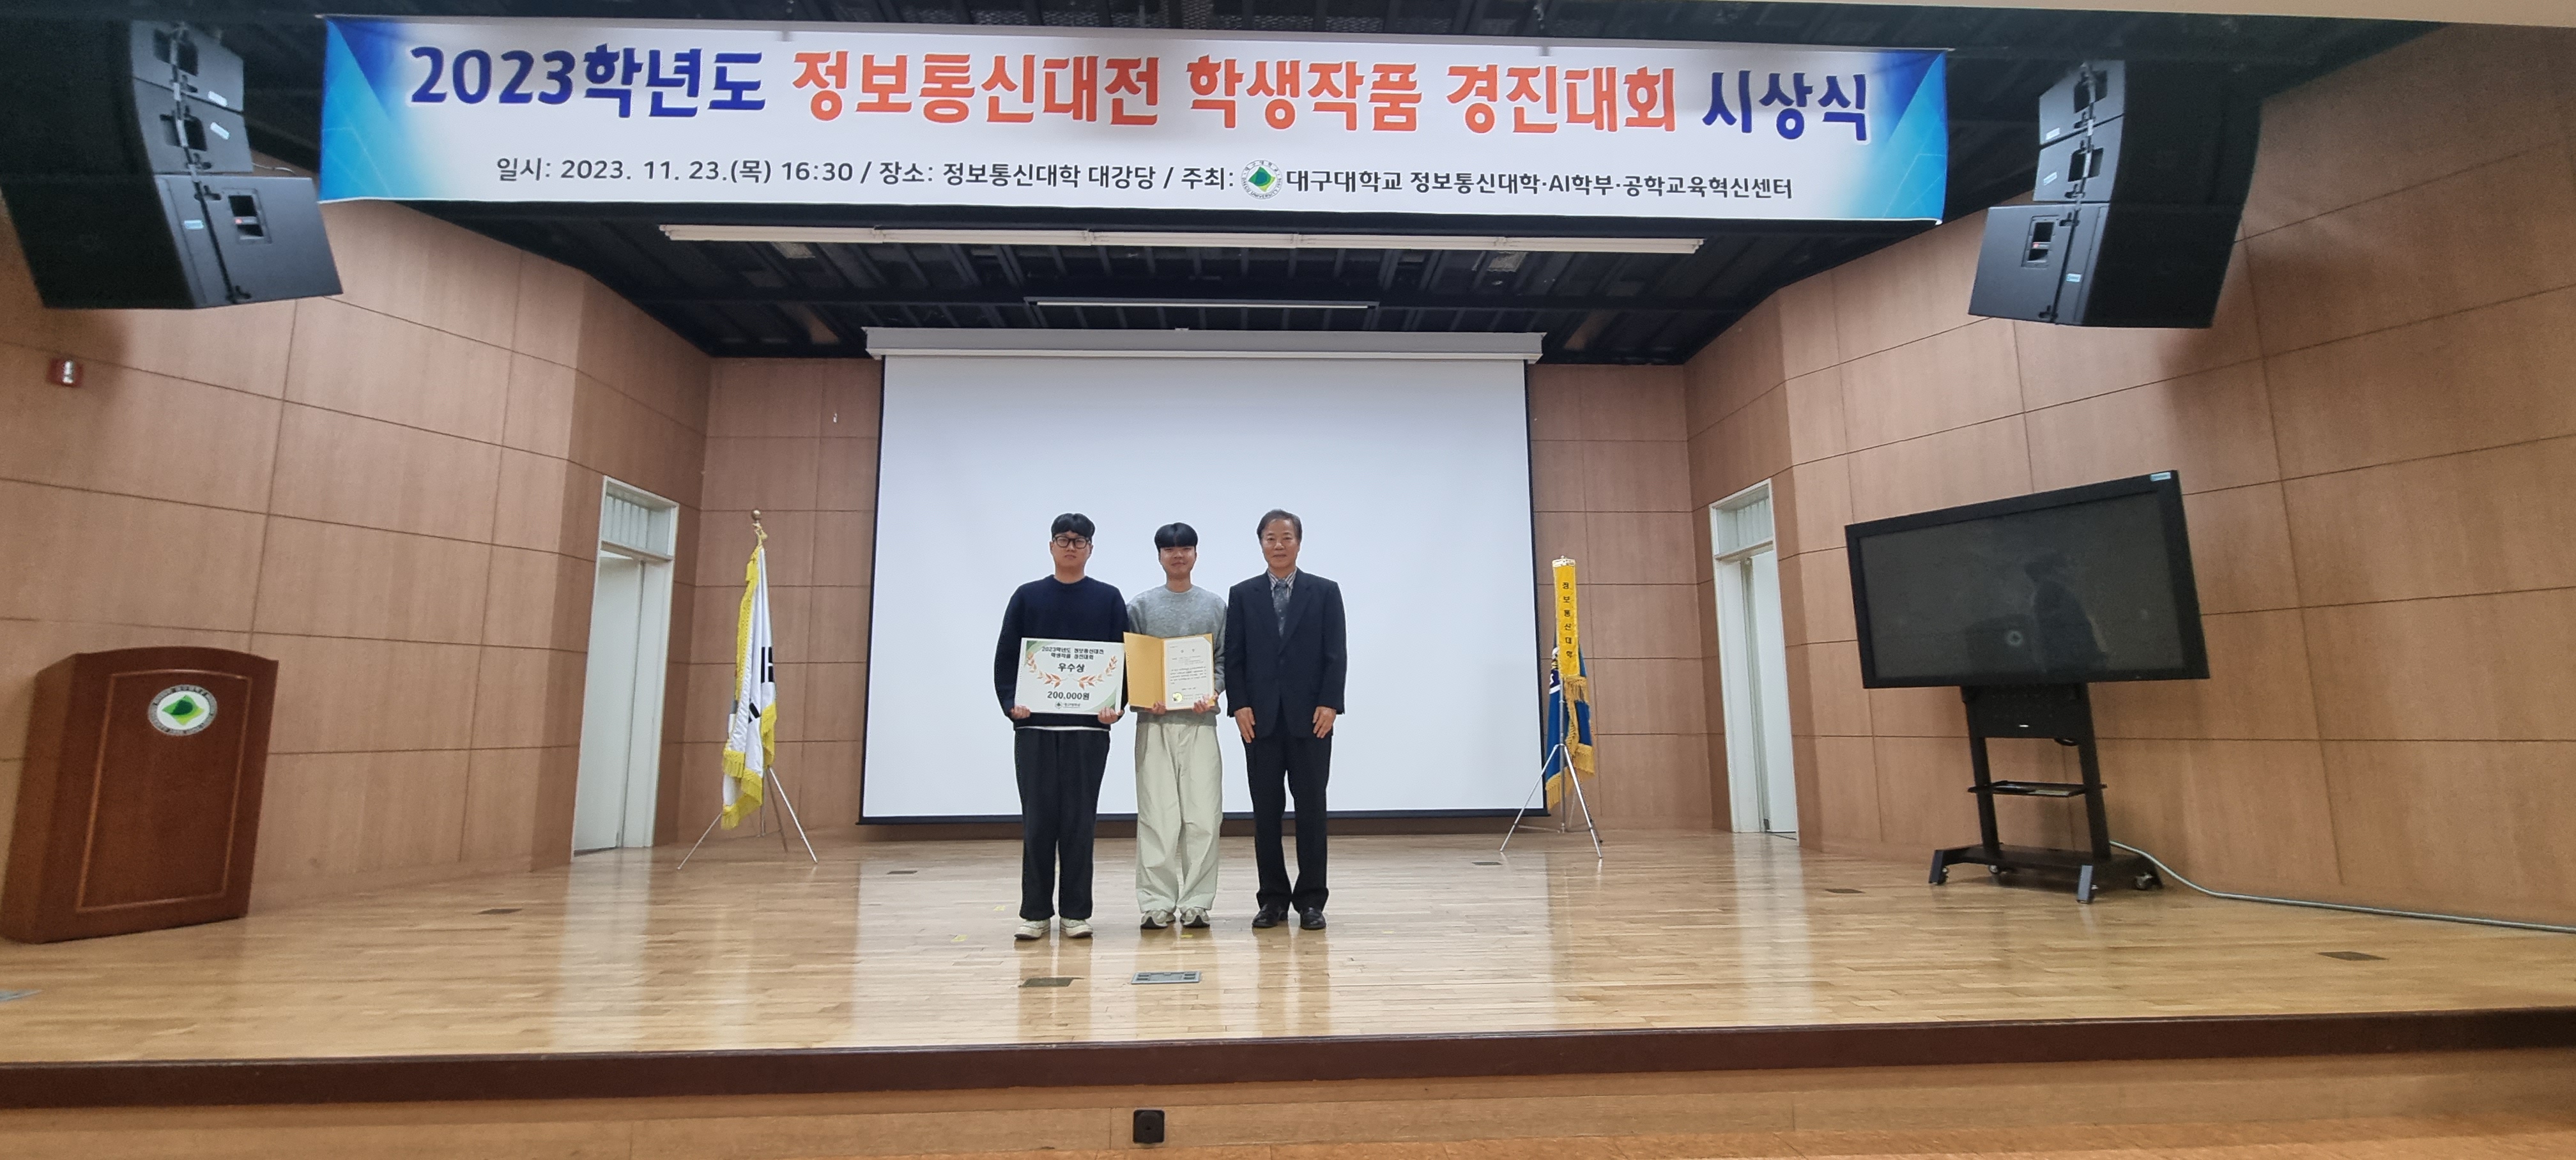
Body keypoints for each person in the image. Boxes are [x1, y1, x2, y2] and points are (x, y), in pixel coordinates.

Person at [993, 514, 1127, 942]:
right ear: (1051, 546)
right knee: (1037, 824)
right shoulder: (1027, 597)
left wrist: (1116, 705)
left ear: (1091, 549)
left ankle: (1076, 912)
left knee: (1079, 823)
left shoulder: (1108, 598)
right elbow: (1006, 658)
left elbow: (1123, 658)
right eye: (1063, 539)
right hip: (1035, 730)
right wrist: (1011, 703)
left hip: (1089, 732)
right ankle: (1034, 913)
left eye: (1079, 540)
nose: (1071, 547)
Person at [1223, 509, 1346, 931]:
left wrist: (1330, 703)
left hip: (1312, 718)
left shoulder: (1324, 591)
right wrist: (1239, 705)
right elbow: (1235, 656)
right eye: (1271, 538)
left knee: (1312, 809)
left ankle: (1311, 900)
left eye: (1287, 537)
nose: (1279, 545)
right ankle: (1272, 899)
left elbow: (1336, 653)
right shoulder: (1243, 594)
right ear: (1260, 543)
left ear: (1299, 542)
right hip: (1259, 720)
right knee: (1265, 812)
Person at [1126, 523, 1227, 932]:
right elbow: (1131, 662)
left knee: (1204, 817)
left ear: (1196, 554)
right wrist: (1142, 694)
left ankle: (1197, 903)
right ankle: (1156, 902)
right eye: (1169, 549)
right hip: (1154, 723)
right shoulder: (1141, 606)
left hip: (1200, 723)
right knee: (1157, 816)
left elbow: (1223, 660)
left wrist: (1214, 690)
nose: (1178, 555)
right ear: (1159, 556)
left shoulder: (1215, 605)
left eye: (1185, 548)